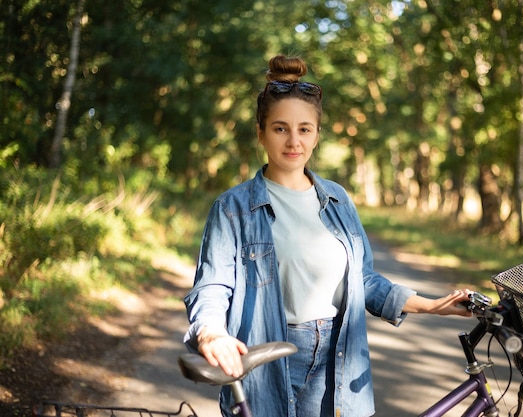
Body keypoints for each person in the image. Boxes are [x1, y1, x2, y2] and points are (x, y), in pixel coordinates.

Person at [183, 54, 472, 417]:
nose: (293, 141)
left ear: (317, 135)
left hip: (338, 357)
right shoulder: (232, 208)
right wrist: (211, 332)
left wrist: (432, 305)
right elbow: (212, 287)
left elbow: (364, 279)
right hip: (268, 358)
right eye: (280, 128)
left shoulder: (336, 199)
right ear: (261, 132)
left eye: (304, 129)